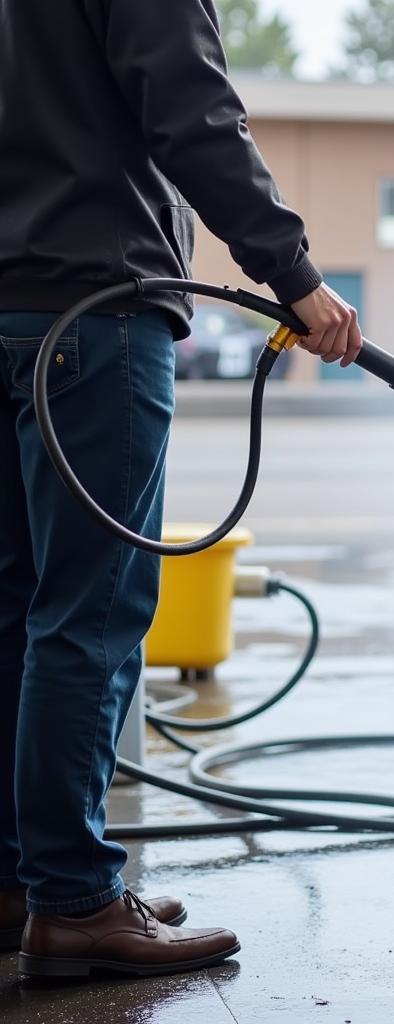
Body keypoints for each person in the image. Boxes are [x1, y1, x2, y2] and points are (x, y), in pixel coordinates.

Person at [0, 0, 362, 979]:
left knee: (20, 609)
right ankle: (74, 899)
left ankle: (21, 880)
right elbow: (194, 111)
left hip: (10, 312)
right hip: (95, 308)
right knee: (92, 615)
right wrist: (293, 275)